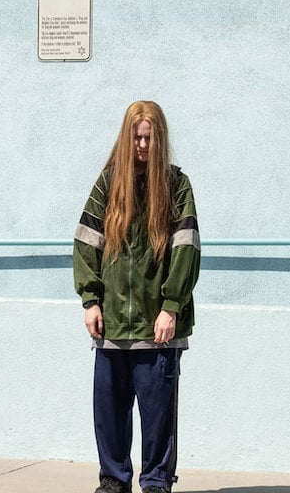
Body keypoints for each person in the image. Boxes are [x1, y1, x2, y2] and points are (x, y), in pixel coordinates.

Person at [73, 101, 200, 493]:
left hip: (157, 325)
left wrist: (171, 307)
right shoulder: (108, 184)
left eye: (149, 137)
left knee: (159, 416)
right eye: (137, 137)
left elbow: (186, 248)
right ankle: (113, 480)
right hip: (111, 323)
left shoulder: (177, 185)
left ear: (159, 138)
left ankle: (157, 482)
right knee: (109, 414)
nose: (143, 145)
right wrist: (91, 300)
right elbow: (85, 243)